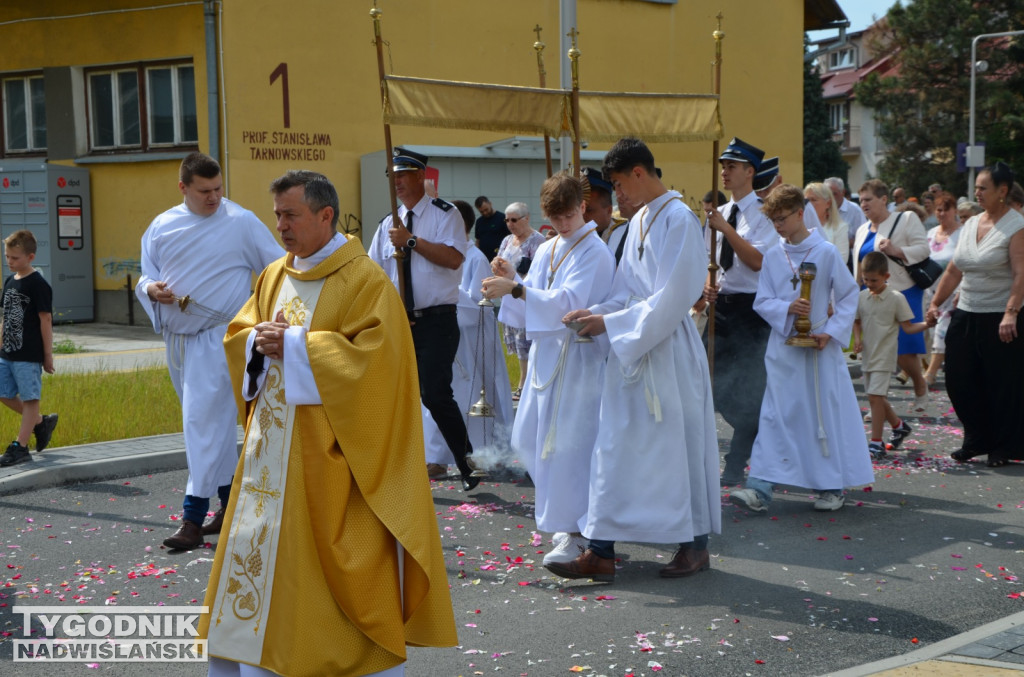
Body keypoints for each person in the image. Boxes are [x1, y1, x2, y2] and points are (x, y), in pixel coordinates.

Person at [200, 170, 456, 677]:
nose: (281, 226)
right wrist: (255, 343)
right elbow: (241, 332)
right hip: (268, 462)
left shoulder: (364, 280)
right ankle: (262, 661)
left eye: (291, 215)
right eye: (277, 215)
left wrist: (295, 346)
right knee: (264, 570)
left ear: (325, 215)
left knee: (325, 572)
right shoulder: (274, 273)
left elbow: (380, 367)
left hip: (333, 461)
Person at [554, 137, 720, 582]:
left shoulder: (680, 219)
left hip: (668, 350)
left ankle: (694, 546)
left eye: (618, 184)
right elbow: (628, 291)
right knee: (615, 447)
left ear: (639, 173)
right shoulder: (639, 220)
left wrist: (615, 324)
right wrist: (600, 313)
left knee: (677, 448)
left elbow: (675, 296)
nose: (615, 195)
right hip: (633, 349)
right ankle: (602, 551)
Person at [136, 152, 282, 550]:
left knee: (201, 425)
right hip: (178, 342)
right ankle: (230, 504)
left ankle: (192, 517)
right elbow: (145, 273)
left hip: (220, 338)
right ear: (183, 188)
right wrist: (150, 290)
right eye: (204, 191)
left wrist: (264, 320)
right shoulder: (162, 225)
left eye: (218, 189)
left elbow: (276, 270)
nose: (214, 197)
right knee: (209, 428)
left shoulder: (241, 222)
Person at [481, 172, 614, 568]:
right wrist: (512, 280)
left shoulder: (594, 250)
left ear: (582, 207)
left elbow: (570, 302)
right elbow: (534, 298)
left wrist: (518, 290)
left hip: (578, 358)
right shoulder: (551, 247)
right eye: (555, 218)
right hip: (545, 357)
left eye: (570, 215)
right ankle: (565, 521)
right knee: (530, 440)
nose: (563, 224)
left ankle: (576, 533)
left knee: (568, 447)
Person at [727, 185, 871, 514]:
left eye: (781, 219)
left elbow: (848, 296)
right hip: (783, 349)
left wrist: (831, 332)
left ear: (799, 214)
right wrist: (787, 309)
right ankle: (759, 489)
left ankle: (831, 488)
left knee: (821, 416)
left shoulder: (825, 252)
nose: (777, 226)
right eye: (772, 221)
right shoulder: (775, 256)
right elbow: (762, 301)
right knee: (775, 416)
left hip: (820, 350)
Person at [368, 147, 479, 491]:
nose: (397, 183)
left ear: (420, 176)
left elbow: (453, 259)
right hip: (401, 320)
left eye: (402, 175)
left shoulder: (445, 215)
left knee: (434, 393)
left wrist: (411, 241)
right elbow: (373, 272)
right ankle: (402, 467)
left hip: (436, 320)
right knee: (395, 395)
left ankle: (466, 462)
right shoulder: (387, 223)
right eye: (393, 177)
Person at [927, 162, 1024, 467]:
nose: (977, 193)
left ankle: (1003, 446)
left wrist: (1011, 313)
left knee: (1001, 383)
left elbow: (1021, 273)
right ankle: (977, 437)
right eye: (977, 187)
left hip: (1000, 314)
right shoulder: (970, 224)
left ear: (1003, 191)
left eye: (983, 187)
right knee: (958, 377)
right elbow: (955, 269)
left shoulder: (1016, 225)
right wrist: (936, 303)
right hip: (966, 310)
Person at [703, 137, 776, 486]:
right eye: (723, 166)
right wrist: (707, 285)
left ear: (750, 172)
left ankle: (736, 464)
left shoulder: (764, 214)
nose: (724, 172)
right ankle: (745, 448)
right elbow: (711, 262)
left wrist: (726, 229)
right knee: (704, 382)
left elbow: (757, 261)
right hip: (721, 307)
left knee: (747, 391)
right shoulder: (718, 216)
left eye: (731, 166)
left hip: (752, 312)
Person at [423, 200, 513, 480]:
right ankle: (436, 457)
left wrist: (447, 293)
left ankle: (480, 455)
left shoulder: (474, 258)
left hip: (468, 345)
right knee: (436, 395)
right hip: (441, 337)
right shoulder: (438, 256)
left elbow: (478, 308)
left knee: (467, 402)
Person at [853, 179, 931, 413]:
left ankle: (920, 384)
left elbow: (923, 249)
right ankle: (879, 407)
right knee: (876, 351)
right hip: (871, 296)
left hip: (903, 291)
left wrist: (896, 251)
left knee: (903, 349)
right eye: (861, 200)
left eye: (869, 199)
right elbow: (858, 266)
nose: (864, 204)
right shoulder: (861, 230)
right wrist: (853, 293)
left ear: (883, 199)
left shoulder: (906, 219)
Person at [854, 252, 933, 459]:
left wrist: (928, 324)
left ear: (886, 277)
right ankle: (899, 427)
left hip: (886, 354)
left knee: (874, 397)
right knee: (876, 398)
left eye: (874, 280)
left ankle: (876, 442)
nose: (869, 284)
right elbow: (857, 321)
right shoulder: (862, 296)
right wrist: (857, 339)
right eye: (865, 279)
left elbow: (908, 327)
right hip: (869, 354)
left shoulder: (897, 298)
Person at [0, 230, 58, 467]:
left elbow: (45, 320)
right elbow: (5, 317)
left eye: (15, 258)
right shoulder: (9, 280)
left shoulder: (38, 284)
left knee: (30, 397)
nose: (10, 262)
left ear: (30, 257)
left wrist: (47, 355)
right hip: (7, 353)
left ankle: (20, 447)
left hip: (29, 354)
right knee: (3, 393)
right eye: (7, 257)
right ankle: (41, 422)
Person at [493, 202, 546, 401]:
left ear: (526, 219)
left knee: (526, 343)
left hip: (525, 296)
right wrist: (496, 266)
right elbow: (499, 259)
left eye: (514, 220)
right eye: (507, 220)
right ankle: (524, 382)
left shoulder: (537, 240)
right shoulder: (508, 240)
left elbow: (536, 271)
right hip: (509, 297)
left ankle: (525, 384)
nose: (510, 224)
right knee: (517, 344)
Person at [922, 191, 962, 386]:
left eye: (946, 209)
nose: (942, 213)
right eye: (939, 210)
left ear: (954, 210)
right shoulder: (930, 233)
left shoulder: (962, 233)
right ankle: (937, 366)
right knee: (930, 330)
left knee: (942, 330)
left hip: (953, 289)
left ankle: (930, 373)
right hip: (930, 290)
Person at [584, 167, 629, 266]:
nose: (582, 216)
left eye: (588, 210)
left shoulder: (626, 235)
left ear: (609, 210)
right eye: (579, 210)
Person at [805, 182, 851, 265]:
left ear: (828, 203)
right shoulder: (801, 227)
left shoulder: (839, 227)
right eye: (807, 201)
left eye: (814, 200)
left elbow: (841, 260)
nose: (809, 204)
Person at [824, 177, 866, 262]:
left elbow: (863, 237)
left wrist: (842, 241)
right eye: (827, 194)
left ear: (842, 192)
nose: (830, 197)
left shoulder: (854, 210)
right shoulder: (821, 209)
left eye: (834, 194)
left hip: (848, 258)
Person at [473, 196, 509, 262]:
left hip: (500, 258)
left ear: (490, 204)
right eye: (481, 212)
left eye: (486, 209)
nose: (485, 213)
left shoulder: (502, 218)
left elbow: (510, 238)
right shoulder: (479, 221)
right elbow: (478, 240)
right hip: (483, 259)